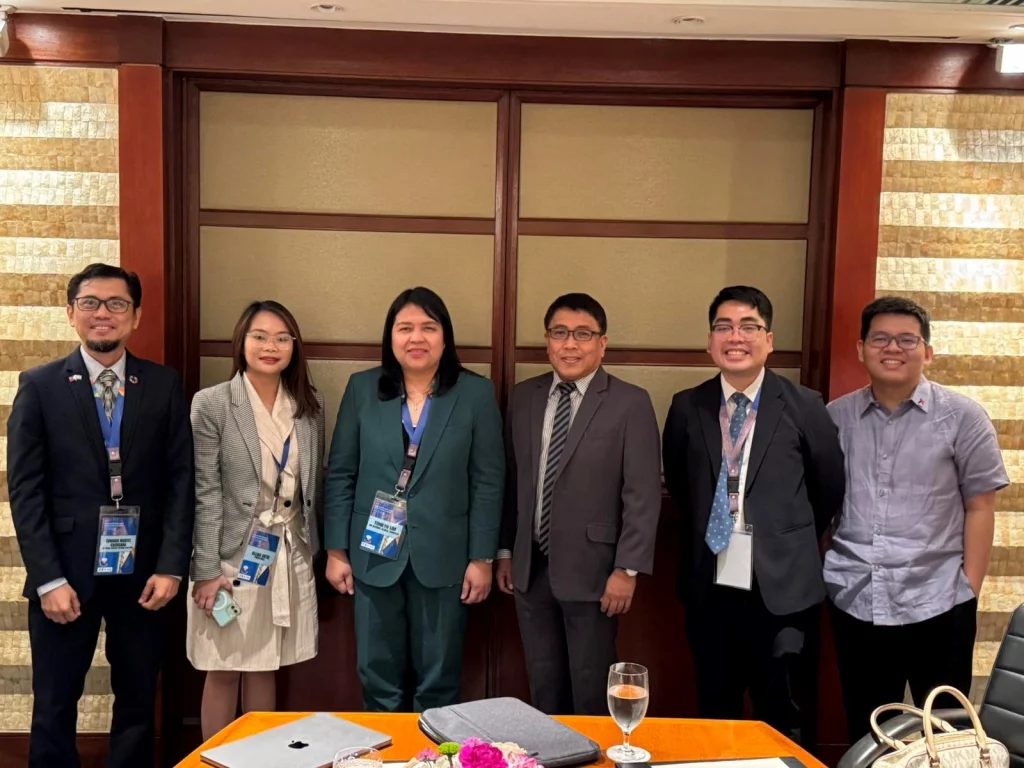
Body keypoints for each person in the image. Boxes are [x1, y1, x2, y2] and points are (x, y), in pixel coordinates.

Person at [5, 263, 194, 767]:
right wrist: (47, 579)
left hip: (145, 574)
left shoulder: (162, 384)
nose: (103, 313)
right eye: (90, 303)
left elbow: (181, 482)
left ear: (136, 315)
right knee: (54, 702)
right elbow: (25, 490)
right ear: (71, 313)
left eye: (117, 303)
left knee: (138, 701)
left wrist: (171, 566)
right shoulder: (40, 385)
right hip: (65, 574)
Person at [662, 285, 844, 747]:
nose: (735, 337)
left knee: (782, 713)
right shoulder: (687, 405)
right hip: (711, 581)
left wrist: (784, 536)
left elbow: (828, 487)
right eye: (723, 327)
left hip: (782, 586)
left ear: (769, 339)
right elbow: (681, 484)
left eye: (748, 326)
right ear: (710, 341)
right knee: (714, 710)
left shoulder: (805, 405)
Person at [825, 296, 1008, 742]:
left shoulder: (963, 417)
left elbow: (980, 507)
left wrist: (968, 590)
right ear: (861, 349)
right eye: (880, 338)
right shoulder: (835, 417)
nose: (893, 348)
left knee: (945, 734)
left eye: (907, 339)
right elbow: (822, 503)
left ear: (927, 352)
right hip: (857, 598)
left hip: (939, 600)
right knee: (869, 735)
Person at [324, 287, 505, 712]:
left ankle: (433, 748)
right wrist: (335, 550)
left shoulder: (475, 393)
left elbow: (488, 481)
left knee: (439, 681)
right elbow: (342, 473)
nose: (416, 338)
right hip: (374, 554)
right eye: (405, 328)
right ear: (391, 336)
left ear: (445, 336)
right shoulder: (363, 388)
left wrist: (482, 558)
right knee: (378, 677)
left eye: (428, 327)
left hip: (446, 558)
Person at [497, 293, 662, 715]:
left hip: (597, 573)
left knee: (591, 689)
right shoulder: (525, 397)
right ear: (547, 341)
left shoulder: (630, 402)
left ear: (602, 344)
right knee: (543, 685)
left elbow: (642, 493)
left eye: (583, 334)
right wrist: (506, 552)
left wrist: (627, 569)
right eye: (560, 333)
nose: (570, 344)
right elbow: (512, 482)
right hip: (530, 571)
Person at [186, 300, 325, 740]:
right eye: (260, 337)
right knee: (225, 664)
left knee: (267, 663)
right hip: (232, 553)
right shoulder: (213, 403)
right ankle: (212, 760)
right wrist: (206, 570)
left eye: (282, 338)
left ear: (294, 347)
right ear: (241, 342)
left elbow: (311, 487)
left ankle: (260, 758)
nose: (271, 346)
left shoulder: (309, 405)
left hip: (288, 549)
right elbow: (204, 491)